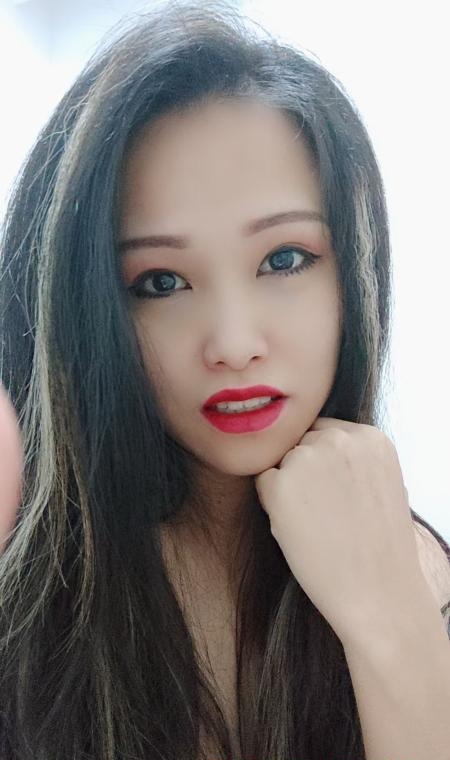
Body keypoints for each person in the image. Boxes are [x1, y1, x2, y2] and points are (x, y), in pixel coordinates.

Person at [0, 2, 449, 758]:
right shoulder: (28, 610)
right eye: (161, 282)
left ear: (354, 270)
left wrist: (392, 626)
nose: (235, 345)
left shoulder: (420, 577)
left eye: (283, 260)